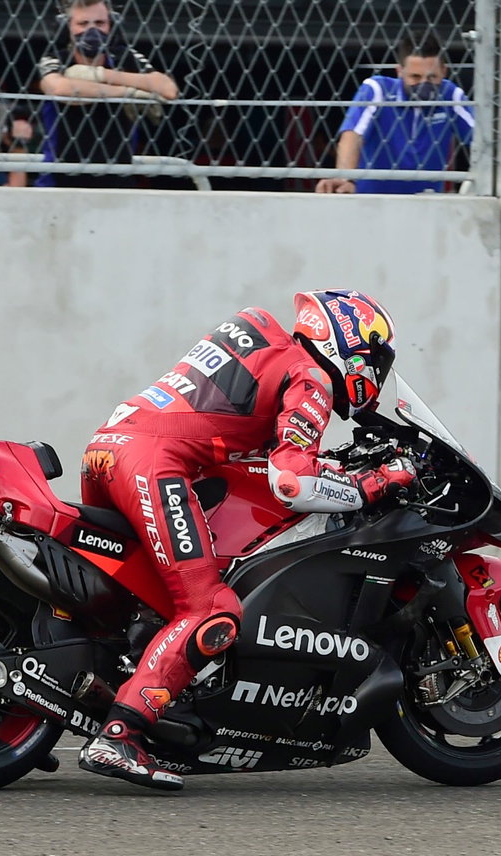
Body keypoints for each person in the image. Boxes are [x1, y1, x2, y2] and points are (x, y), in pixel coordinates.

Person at [76, 291, 416, 791]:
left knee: (129, 597)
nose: (375, 372)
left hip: (109, 447)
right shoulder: (313, 379)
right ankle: (121, 734)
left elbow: (235, 438)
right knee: (211, 609)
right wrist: (372, 483)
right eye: (375, 357)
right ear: (347, 343)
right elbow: (290, 482)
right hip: (152, 464)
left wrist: (330, 466)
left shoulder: (256, 329)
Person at [314, 35, 501, 196]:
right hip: (372, 200)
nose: (424, 84)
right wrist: (344, 178)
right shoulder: (378, 88)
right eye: (415, 77)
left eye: (432, 77)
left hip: (427, 205)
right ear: (399, 71)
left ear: (444, 72)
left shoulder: (451, 95)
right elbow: (353, 134)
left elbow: (490, 145)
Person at [34, 0, 177, 189]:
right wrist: (127, 92)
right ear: (66, 27)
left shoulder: (124, 57)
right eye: (83, 24)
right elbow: (60, 89)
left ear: (112, 25)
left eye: (100, 23)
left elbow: (168, 88)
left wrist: (100, 74)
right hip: (60, 177)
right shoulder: (55, 58)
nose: (92, 31)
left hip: (117, 175)